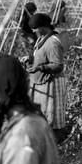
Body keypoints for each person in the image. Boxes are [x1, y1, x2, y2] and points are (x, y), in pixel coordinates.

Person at [27, 13, 68, 141]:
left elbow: (58, 66)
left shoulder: (53, 42)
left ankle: (56, 141)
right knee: (44, 113)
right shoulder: (42, 39)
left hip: (52, 83)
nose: (34, 32)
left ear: (43, 27)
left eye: (35, 29)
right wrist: (30, 59)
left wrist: (41, 68)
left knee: (53, 117)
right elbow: (40, 55)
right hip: (43, 83)